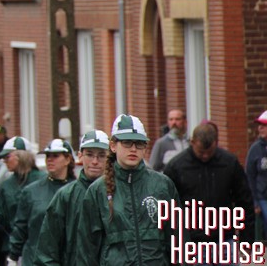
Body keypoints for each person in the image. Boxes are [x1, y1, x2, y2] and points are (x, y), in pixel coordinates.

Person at [76, 114, 179, 266]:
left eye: (139, 144)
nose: (133, 149)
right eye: (127, 143)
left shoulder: (162, 185)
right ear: (113, 146)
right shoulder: (97, 191)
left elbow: (178, 238)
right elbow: (87, 250)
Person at [164, 121, 254, 260]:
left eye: (209, 152)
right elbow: (167, 207)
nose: (205, 156)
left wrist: (247, 240)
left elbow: (244, 201)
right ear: (192, 142)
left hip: (224, 239)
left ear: (216, 143)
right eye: (201, 152)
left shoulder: (229, 163)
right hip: (192, 242)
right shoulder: (176, 167)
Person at [34, 130, 109, 266]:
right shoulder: (65, 196)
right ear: (80, 156)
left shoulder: (118, 193)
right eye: (89, 155)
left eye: (101, 155)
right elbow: (47, 250)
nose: (95, 161)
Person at [8, 139, 76, 266]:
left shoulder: (78, 190)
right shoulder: (31, 191)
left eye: (55, 156)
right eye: (48, 156)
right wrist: (13, 257)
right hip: (35, 260)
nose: (50, 160)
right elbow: (20, 228)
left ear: (67, 159)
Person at [0, 136, 44, 264]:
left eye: (7, 157)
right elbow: (2, 216)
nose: (4, 161)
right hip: (15, 248)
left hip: (42, 245)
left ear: (22, 156)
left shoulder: (43, 180)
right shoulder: (6, 185)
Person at [246, 110, 267, 232]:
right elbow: (250, 175)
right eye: (259, 125)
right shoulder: (255, 149)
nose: (260, 128)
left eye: (264, 125)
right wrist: (254, 202)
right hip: (262, 197)